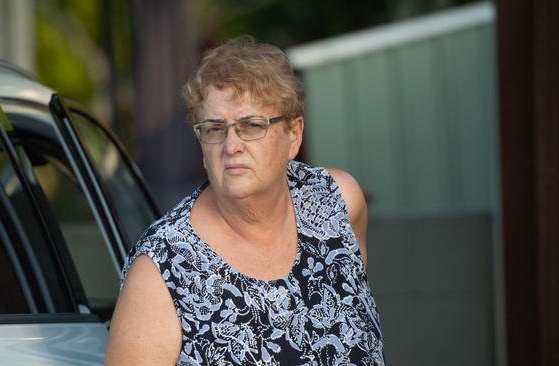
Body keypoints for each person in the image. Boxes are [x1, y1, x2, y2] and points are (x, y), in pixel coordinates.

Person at [104, 36, 384, 365]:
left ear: (294, 135)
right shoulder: (160, 271)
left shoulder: (337, 201)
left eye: (251, 125)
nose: (231, 145)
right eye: (214, 128)